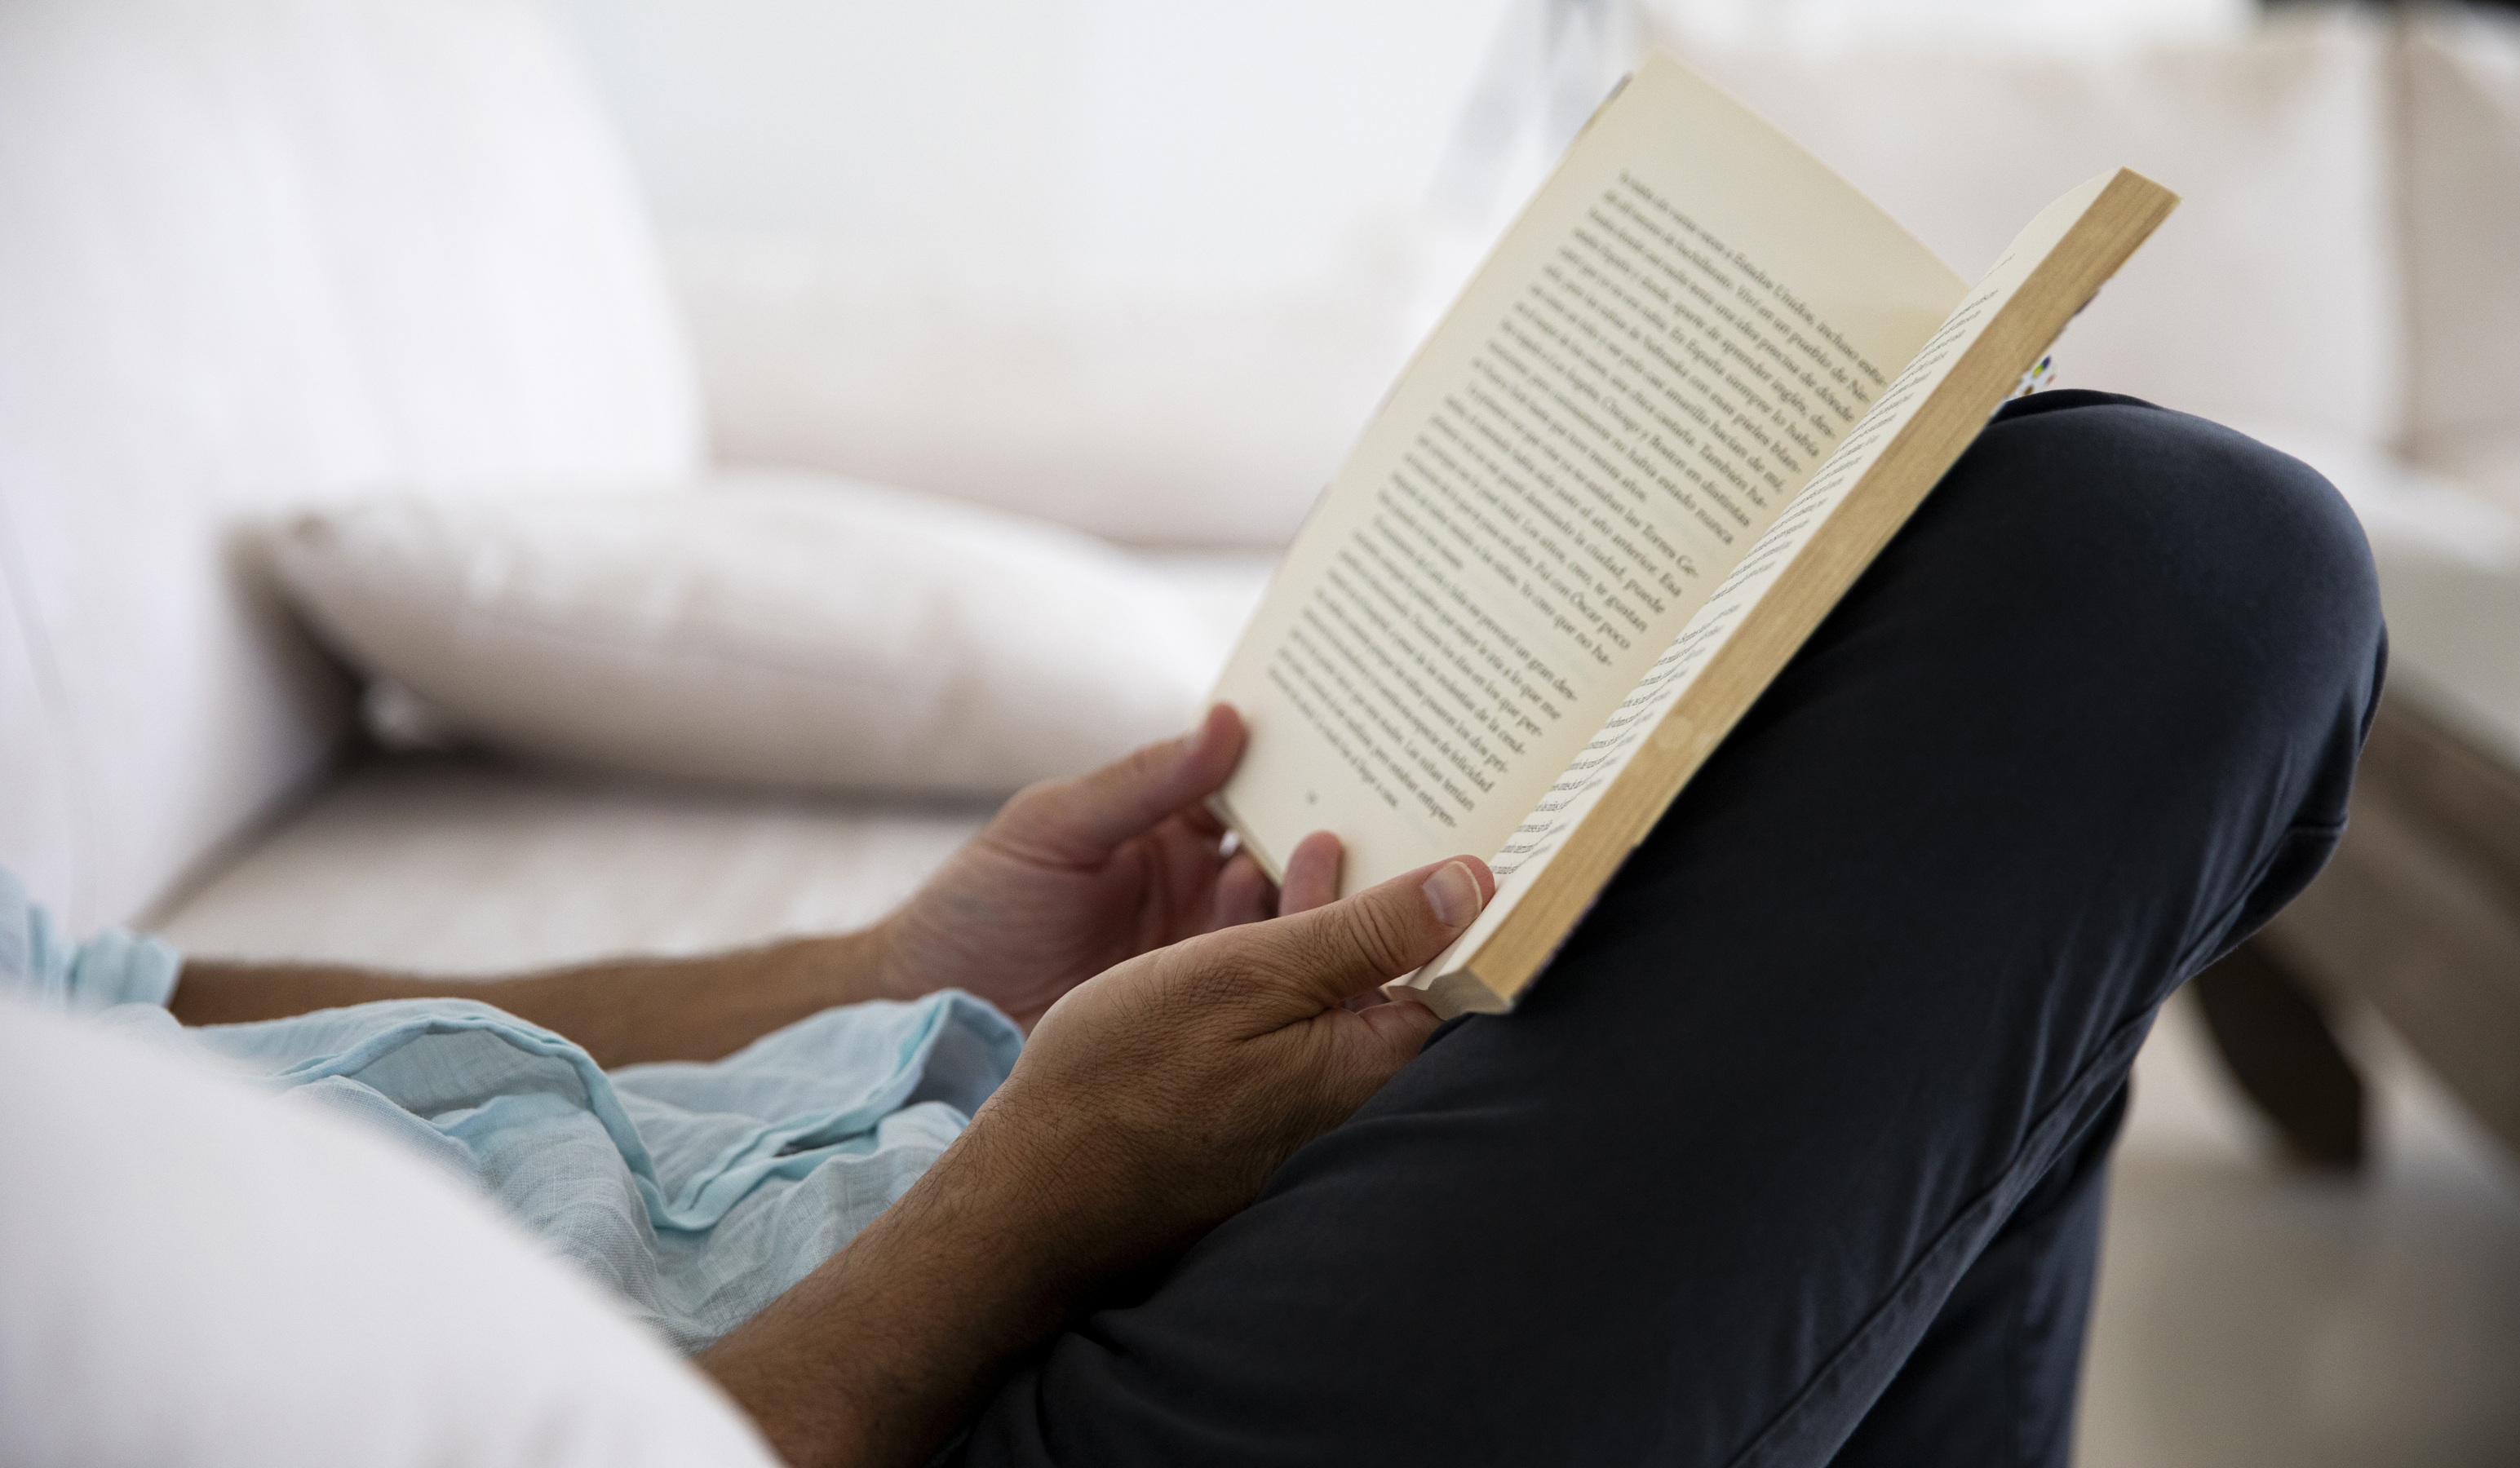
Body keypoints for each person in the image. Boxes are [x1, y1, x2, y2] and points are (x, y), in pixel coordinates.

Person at [18, 392, 2387, 1467]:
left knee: (1954, 699)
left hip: (968, 1221)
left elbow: (140, 1011)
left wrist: (881, 975)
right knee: (2154, 564)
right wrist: (1044, 1191)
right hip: (918, 1384)